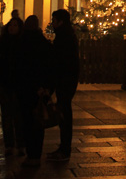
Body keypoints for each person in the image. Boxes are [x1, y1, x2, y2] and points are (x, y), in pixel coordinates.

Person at [16, 15, 53, 167]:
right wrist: (46, 87)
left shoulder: (21, 42)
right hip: (40, 89)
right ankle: (36, 154)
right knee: (38, 122)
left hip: (25, 88)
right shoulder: (43, 43)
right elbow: (49, 66)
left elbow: (18, 66)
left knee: (26, 120)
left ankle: (30, 154)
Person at [47, 9, 80, 162]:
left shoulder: (63, 37)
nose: (52, 23)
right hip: (68, 79)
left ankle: (65, 149)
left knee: (65, 114)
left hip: (65, 79)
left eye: (54, 20)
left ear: (60, 21)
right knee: (64, 113)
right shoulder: (67, 35)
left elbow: (60, 61)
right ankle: (63, 147)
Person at [0, 16, 25, 156]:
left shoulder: (22, 43)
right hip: (5, 83)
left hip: (18, 84)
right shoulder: (2, 43)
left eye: (15, 25)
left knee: (18, 116)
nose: (12, 28)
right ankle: (9, 144)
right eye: (11, 25)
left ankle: (20, 143)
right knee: (6, 115)